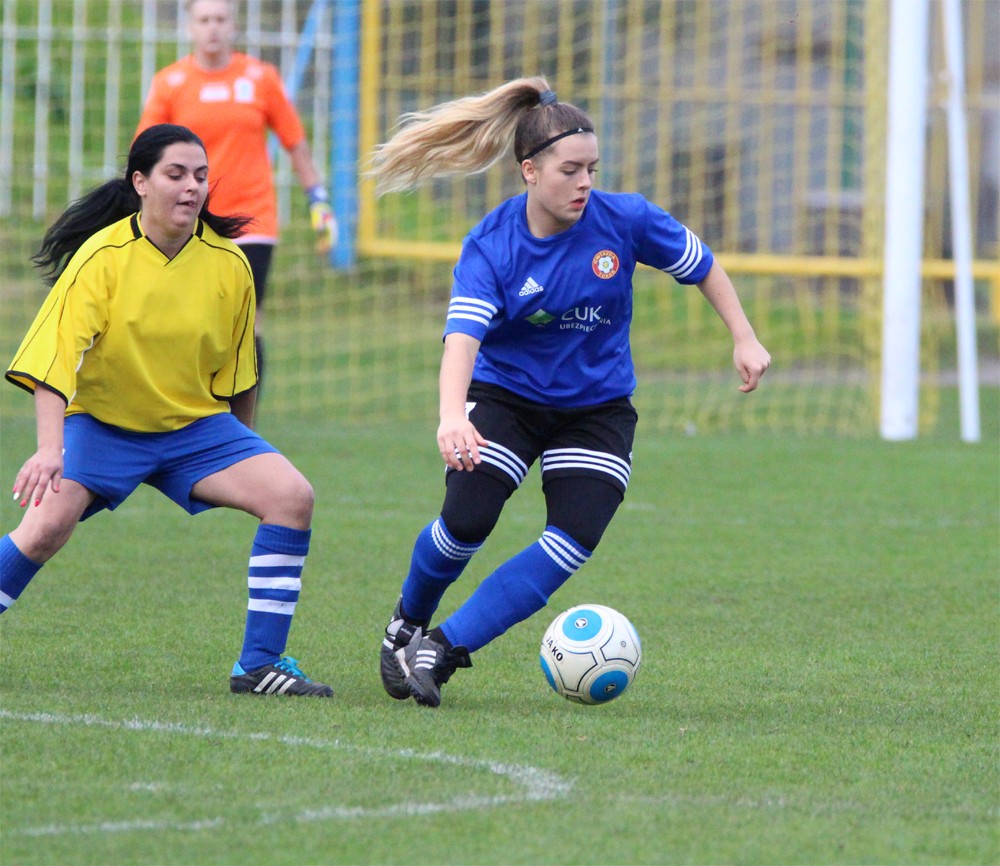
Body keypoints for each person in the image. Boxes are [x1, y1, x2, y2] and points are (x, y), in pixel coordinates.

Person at [369, 77, 771, 707]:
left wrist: (744, 337)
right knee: (465, 524)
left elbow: (702, 264)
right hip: (506, 398)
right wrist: (452, 416)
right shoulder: (493, 244)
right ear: (529, 171)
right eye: (570, 170)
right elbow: (462, 341)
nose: (585, 183)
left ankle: (442, 649)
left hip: (597, 408)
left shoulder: (625, 219)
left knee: (574, 536)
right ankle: (407, 622)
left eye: (592, 169)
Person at [0, 123, 332, 698]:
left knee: (291, 496)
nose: (192, 187)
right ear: (141, 183)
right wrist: (50, 449)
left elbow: (240, 374)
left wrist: (244, 451)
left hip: (194, 428)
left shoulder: (229, 264)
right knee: (44, 529)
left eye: (200, 176)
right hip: (102, 425)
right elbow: (52, 361)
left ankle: (259, 666)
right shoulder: (101, 257)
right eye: (175, 174)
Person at [135, 0, 337, 386]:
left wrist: (318, 199)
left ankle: (244, 417)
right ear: (190, 27)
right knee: (190, 317)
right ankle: (191, 403)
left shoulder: (260, 78)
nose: (212, 27)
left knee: (247, 319)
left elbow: (294, 142)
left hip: (251, 220)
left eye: (220, 19)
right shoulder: (170, 83)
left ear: (234, 25)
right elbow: (143, 151)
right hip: (190, 220)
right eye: (204, 19)